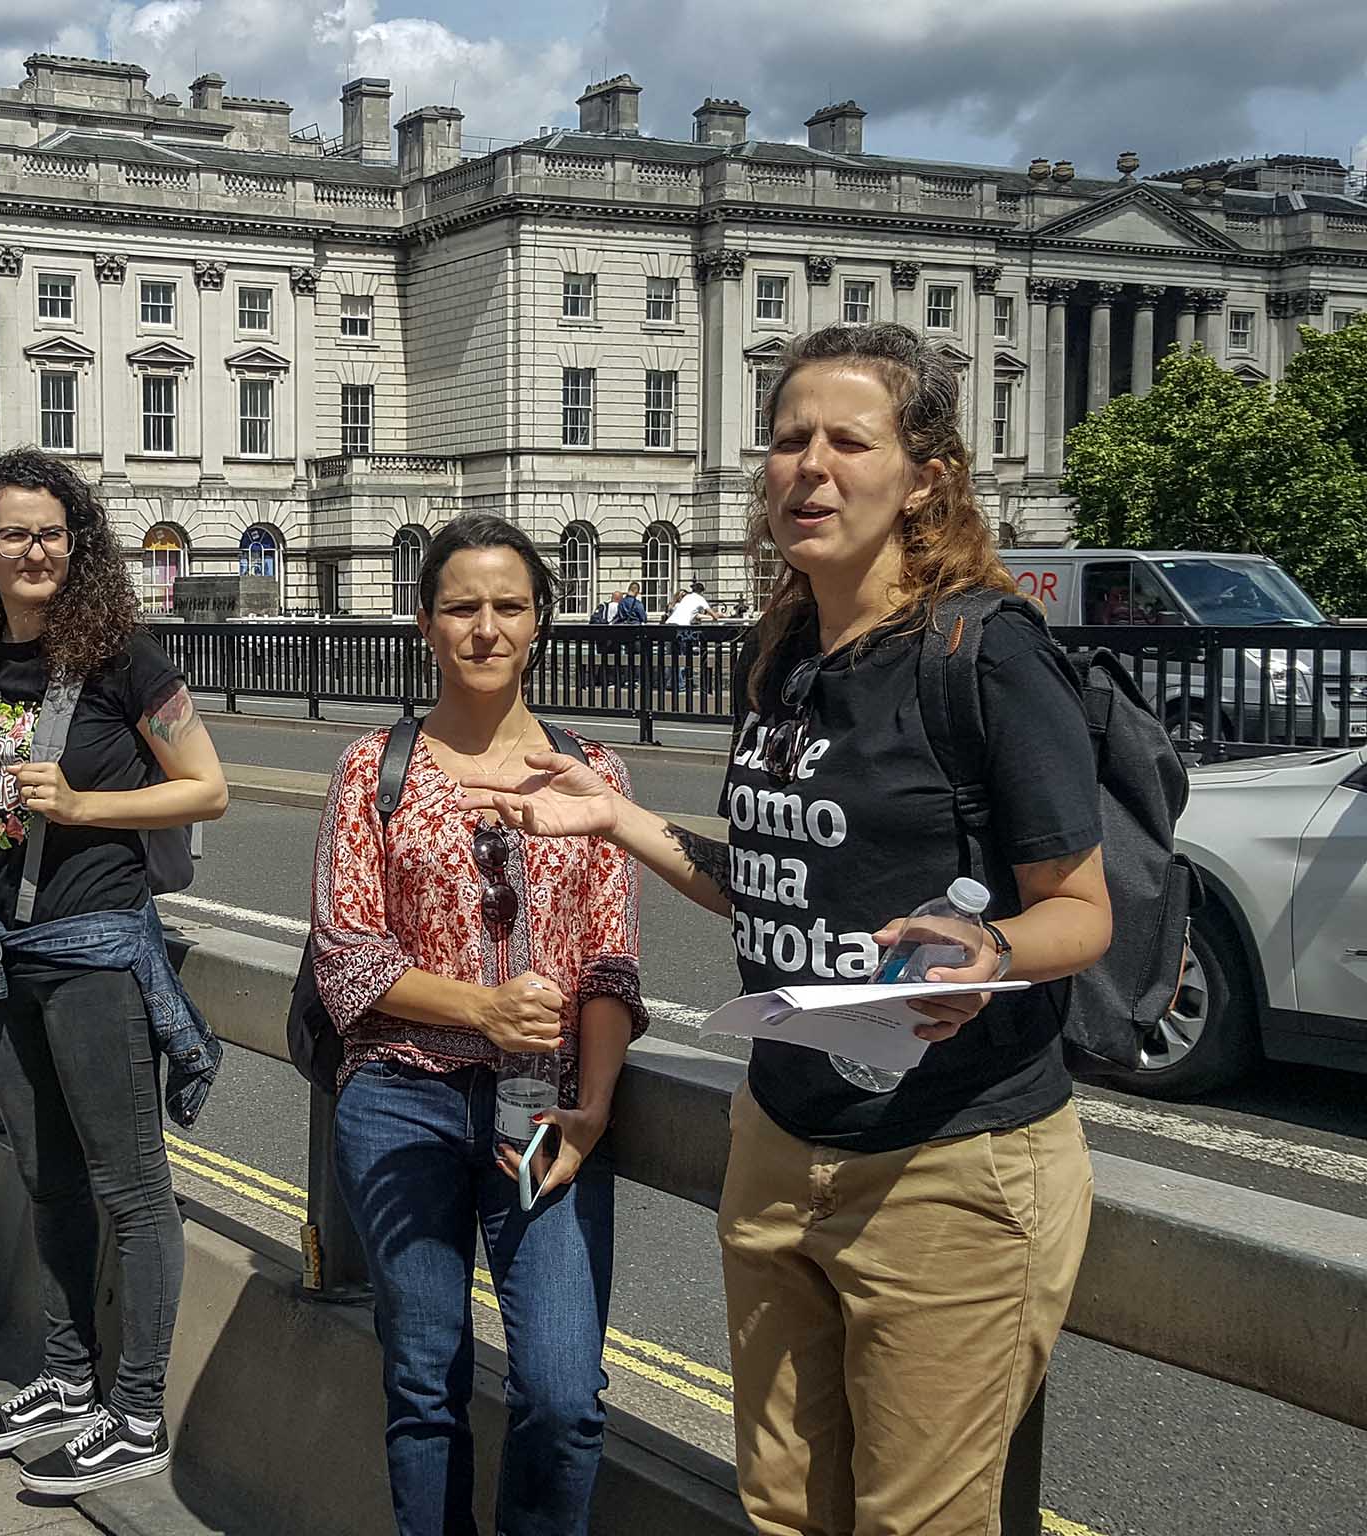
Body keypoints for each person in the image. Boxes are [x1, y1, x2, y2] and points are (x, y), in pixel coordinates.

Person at [462, 323, 1111, 1536]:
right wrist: (612, 818)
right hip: (777, 1136)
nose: (806, 466)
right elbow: (762, 882)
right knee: (781, 1512)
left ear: (925, 476)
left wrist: (994, 953)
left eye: (845, 440)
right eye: (785, 439)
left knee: (914, 1524)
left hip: (944, 1163)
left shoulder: (985, 650)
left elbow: (1081, 910)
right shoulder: (786, 652)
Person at [311, 513, 646, 1536]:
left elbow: (610, 965)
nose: (485, 628)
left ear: (541, 620)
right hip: (399, 1099)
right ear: (424, 623)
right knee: (424, 1378)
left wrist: (588, 1112)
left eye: (509, 606)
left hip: (540, 1112)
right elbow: (346, 958)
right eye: (461, 607)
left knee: (559, 1392)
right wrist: (484, 1008)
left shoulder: (593, 776)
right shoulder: (377, 768)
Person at [0, 448, 228, 1496]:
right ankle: (64, 1375)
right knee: (46, 1177)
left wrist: (83, 806)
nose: (34, 548)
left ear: (76, 544)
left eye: (51, 531)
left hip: (93, 946)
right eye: (13, 532)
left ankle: (135, 1410)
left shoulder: (123, 660)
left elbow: (206, 790)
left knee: (131, 1189)